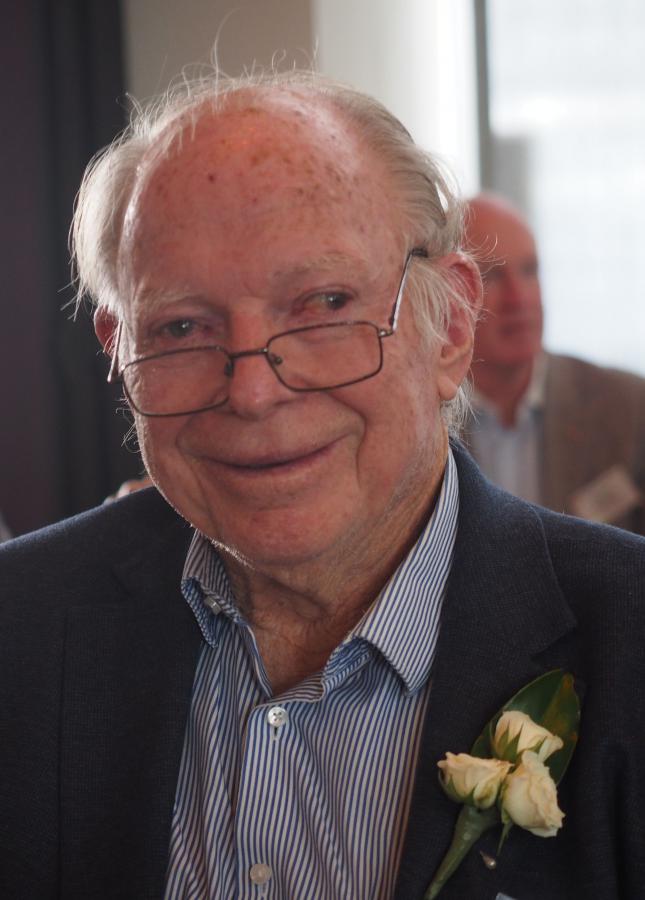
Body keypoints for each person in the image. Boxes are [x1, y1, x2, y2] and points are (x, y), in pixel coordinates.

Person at [1, 72, 644, 900]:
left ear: (449, 327)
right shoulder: (19, 630)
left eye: (323, 304)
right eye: (182, 326)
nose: (252, 392)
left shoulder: (628, 642)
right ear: (120, 354)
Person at [464, 192, 645, 534]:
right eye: (492, 276)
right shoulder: (423, 421)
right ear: (448, 292)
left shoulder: (628, 407)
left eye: (529, 271)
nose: (519, 298)